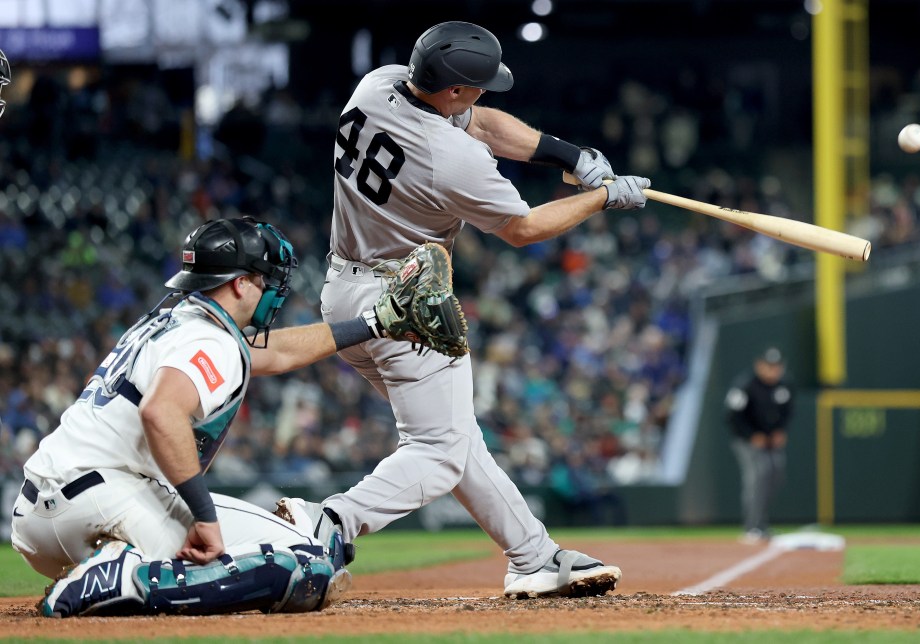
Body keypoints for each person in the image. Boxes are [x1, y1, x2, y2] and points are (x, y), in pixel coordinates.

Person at [314, 21, 650, 599]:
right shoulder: (449, 158)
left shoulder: (378, 84)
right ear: (453, 91)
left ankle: (534, 557)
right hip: (407, 300)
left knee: (455, 438)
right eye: (476, 86)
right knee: (440, 452)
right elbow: (523, 228)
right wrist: (600, 197)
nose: (484, 94)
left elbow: (483, 124)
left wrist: (571, 157)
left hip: (345, 288)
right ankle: (329, 526)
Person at [12, 217, 404, 617]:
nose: (273, 289)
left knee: (308, 554)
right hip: (103, 499)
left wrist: (375, 322)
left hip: (43, 515)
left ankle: (119, 563)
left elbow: (280, 352)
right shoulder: (210, 339)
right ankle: (125, 578)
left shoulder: (180, 321)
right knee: (306, 568)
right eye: (266, 279)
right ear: (240, 283)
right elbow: (161, 412)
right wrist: (205, 518)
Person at [724, 346, 793, 544]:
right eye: (770, 366)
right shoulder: (745, 385)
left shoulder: (784, 385)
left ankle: (762, 524)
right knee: (758, 474)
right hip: (746, 442)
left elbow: (788, 411)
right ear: (759, 365)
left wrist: (781, 430)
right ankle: (751, 527)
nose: (774, 370)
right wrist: (751, 435)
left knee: (776, 475)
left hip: (771, 441)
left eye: (777, 366)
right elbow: (731, 416)